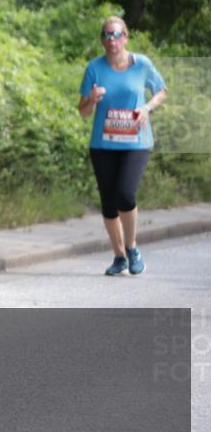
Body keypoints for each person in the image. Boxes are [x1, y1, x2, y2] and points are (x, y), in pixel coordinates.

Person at [78, 16, 167, 276]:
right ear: (101, 40)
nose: (111, 40)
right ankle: (118, 257)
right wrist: (91, 100)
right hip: (103, 144)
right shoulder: (94, 68)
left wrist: (147, 108)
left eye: (116, 35)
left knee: (125, 194)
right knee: (108, 202)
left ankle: (132, 247)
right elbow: (83, 112)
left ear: (126, 37)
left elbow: (161, 91)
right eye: (106, 35)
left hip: (136, 142)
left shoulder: (142, 65)